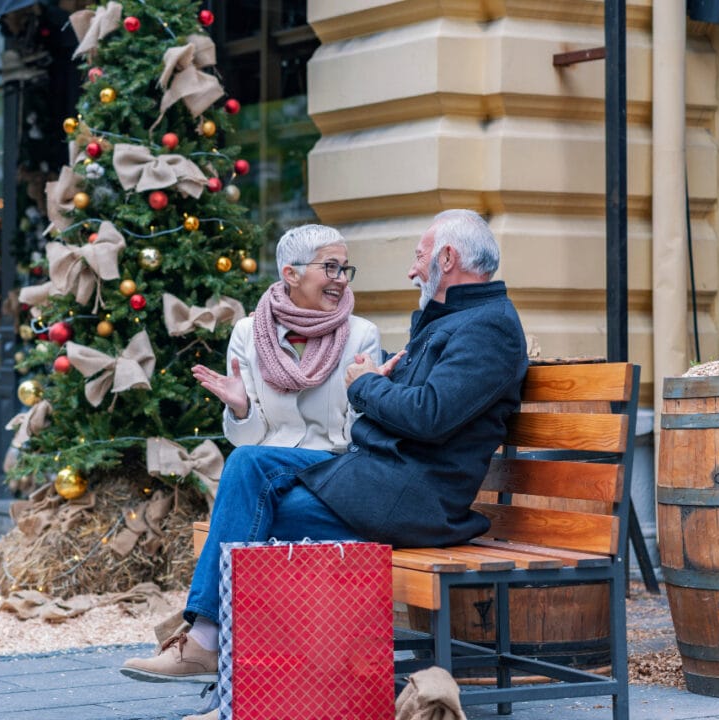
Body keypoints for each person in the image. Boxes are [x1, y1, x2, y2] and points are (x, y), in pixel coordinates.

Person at [121, 210, 529, 720]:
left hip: (413, 500)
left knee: (253, 519)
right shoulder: (456, 321)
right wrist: (375, 388)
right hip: (383, 482)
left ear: (448, 259)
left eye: (420, 257)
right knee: (248, 467)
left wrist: (365, 385)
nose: (412, 271)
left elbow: (428, 416)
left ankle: (227, 677)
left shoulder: (487, 328)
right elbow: (419, 407)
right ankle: (222, 665)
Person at [191, 223, 382, 452]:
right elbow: (245, 440)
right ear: (291, 274)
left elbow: (362, 437)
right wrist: (241, 410)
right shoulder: (247, 333)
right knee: (245, 457)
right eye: (330, 267)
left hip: (331, 467)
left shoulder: (362, 334)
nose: (342, 279)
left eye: (344, 268)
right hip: (269, 463)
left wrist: (364, 397)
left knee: (244, 460)